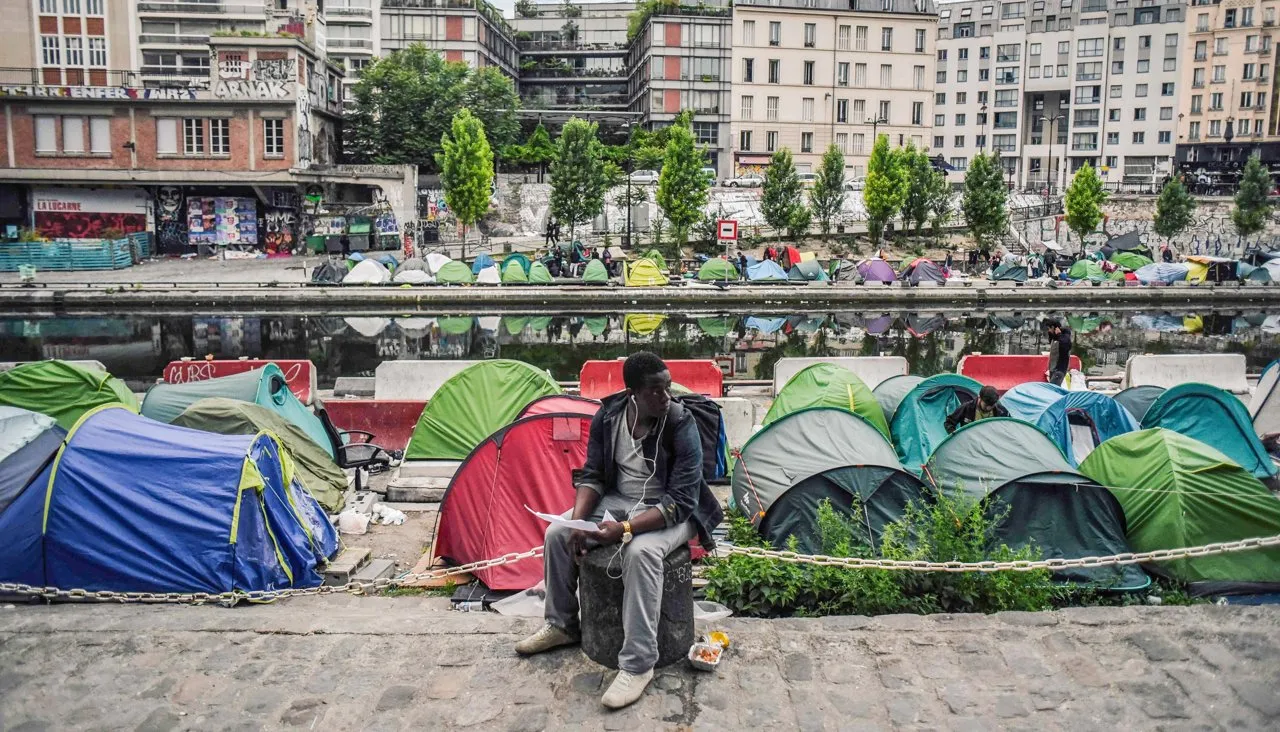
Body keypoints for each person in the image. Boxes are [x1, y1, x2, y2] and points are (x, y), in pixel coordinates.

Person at [515, 352, 724, 709]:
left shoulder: (679, 422)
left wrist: (624, 529)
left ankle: (639, 664)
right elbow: (593, 475)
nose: (665, 397)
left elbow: (681, 501)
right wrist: (579, 522)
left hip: (672, 511)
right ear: (633, 392)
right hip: (619, 499)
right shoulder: (608, 416)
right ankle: (562, 625)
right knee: (556, 535)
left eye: (668, 388)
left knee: (641, 553)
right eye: (656, 391)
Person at [1044, 318, 1074, 386]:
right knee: (1053, 388)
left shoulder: (1064, 337)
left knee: (1053, 389)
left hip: (1059, 370)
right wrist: (1052, 334)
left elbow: (1066, 346)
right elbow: (1051, 341)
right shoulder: (1056, 337)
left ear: (1053, 327)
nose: (1048, 330)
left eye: (1049, 328)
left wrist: (1059, 335)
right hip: (1053, 369)